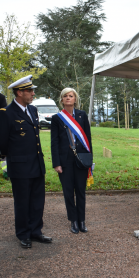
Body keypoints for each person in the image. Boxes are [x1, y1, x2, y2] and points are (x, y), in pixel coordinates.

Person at [0, 75, 52, 248]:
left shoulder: (33, 110)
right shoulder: (6, 113)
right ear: (19, 93)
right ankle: (23, 234)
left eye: (32, 90)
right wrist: (8, 160)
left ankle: (36, 231)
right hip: (20, 166)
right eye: (30, 91)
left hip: (36, 164)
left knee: (37, 200)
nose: (33, 93)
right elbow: (1, 141)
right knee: (22, 201)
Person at [51, 88, 92, 234]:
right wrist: (56, 163)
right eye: (65, 96)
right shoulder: (57, 118)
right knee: (68, 192)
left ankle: (82, 220)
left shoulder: (82, 115)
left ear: (75, 99)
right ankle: (73, 220)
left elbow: (87, 138)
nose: (68, 98)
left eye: (71, 96)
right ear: (61, 100)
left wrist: (89, 160)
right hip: (65, 161)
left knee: (81, 191)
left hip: (81, 160)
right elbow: (54, 142)